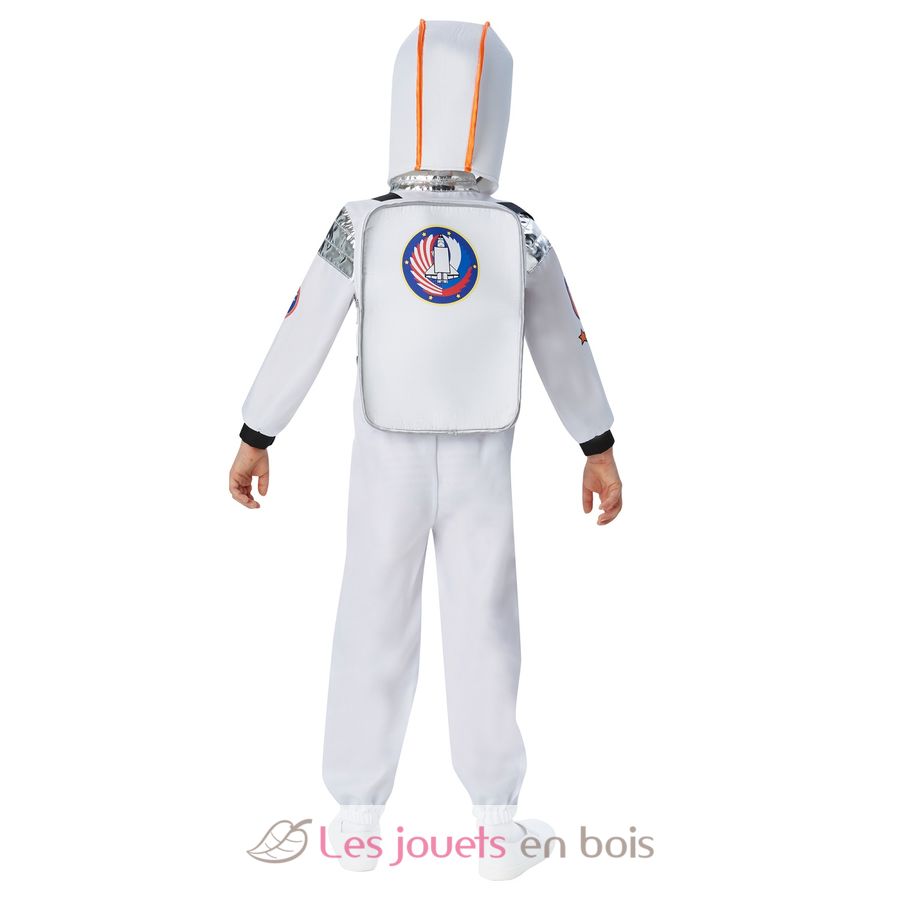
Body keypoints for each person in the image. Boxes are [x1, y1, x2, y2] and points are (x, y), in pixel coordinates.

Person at [229, 19, 622, 881]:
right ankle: (495, 826)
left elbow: (304, 325)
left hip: (387, 453)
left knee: (371, 611)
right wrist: (595, 442)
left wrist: (260, 430)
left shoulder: (363, 221)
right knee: (485, 621)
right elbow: (564, 341)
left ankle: (356, 821)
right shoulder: (517, 230)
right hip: (482, 451)